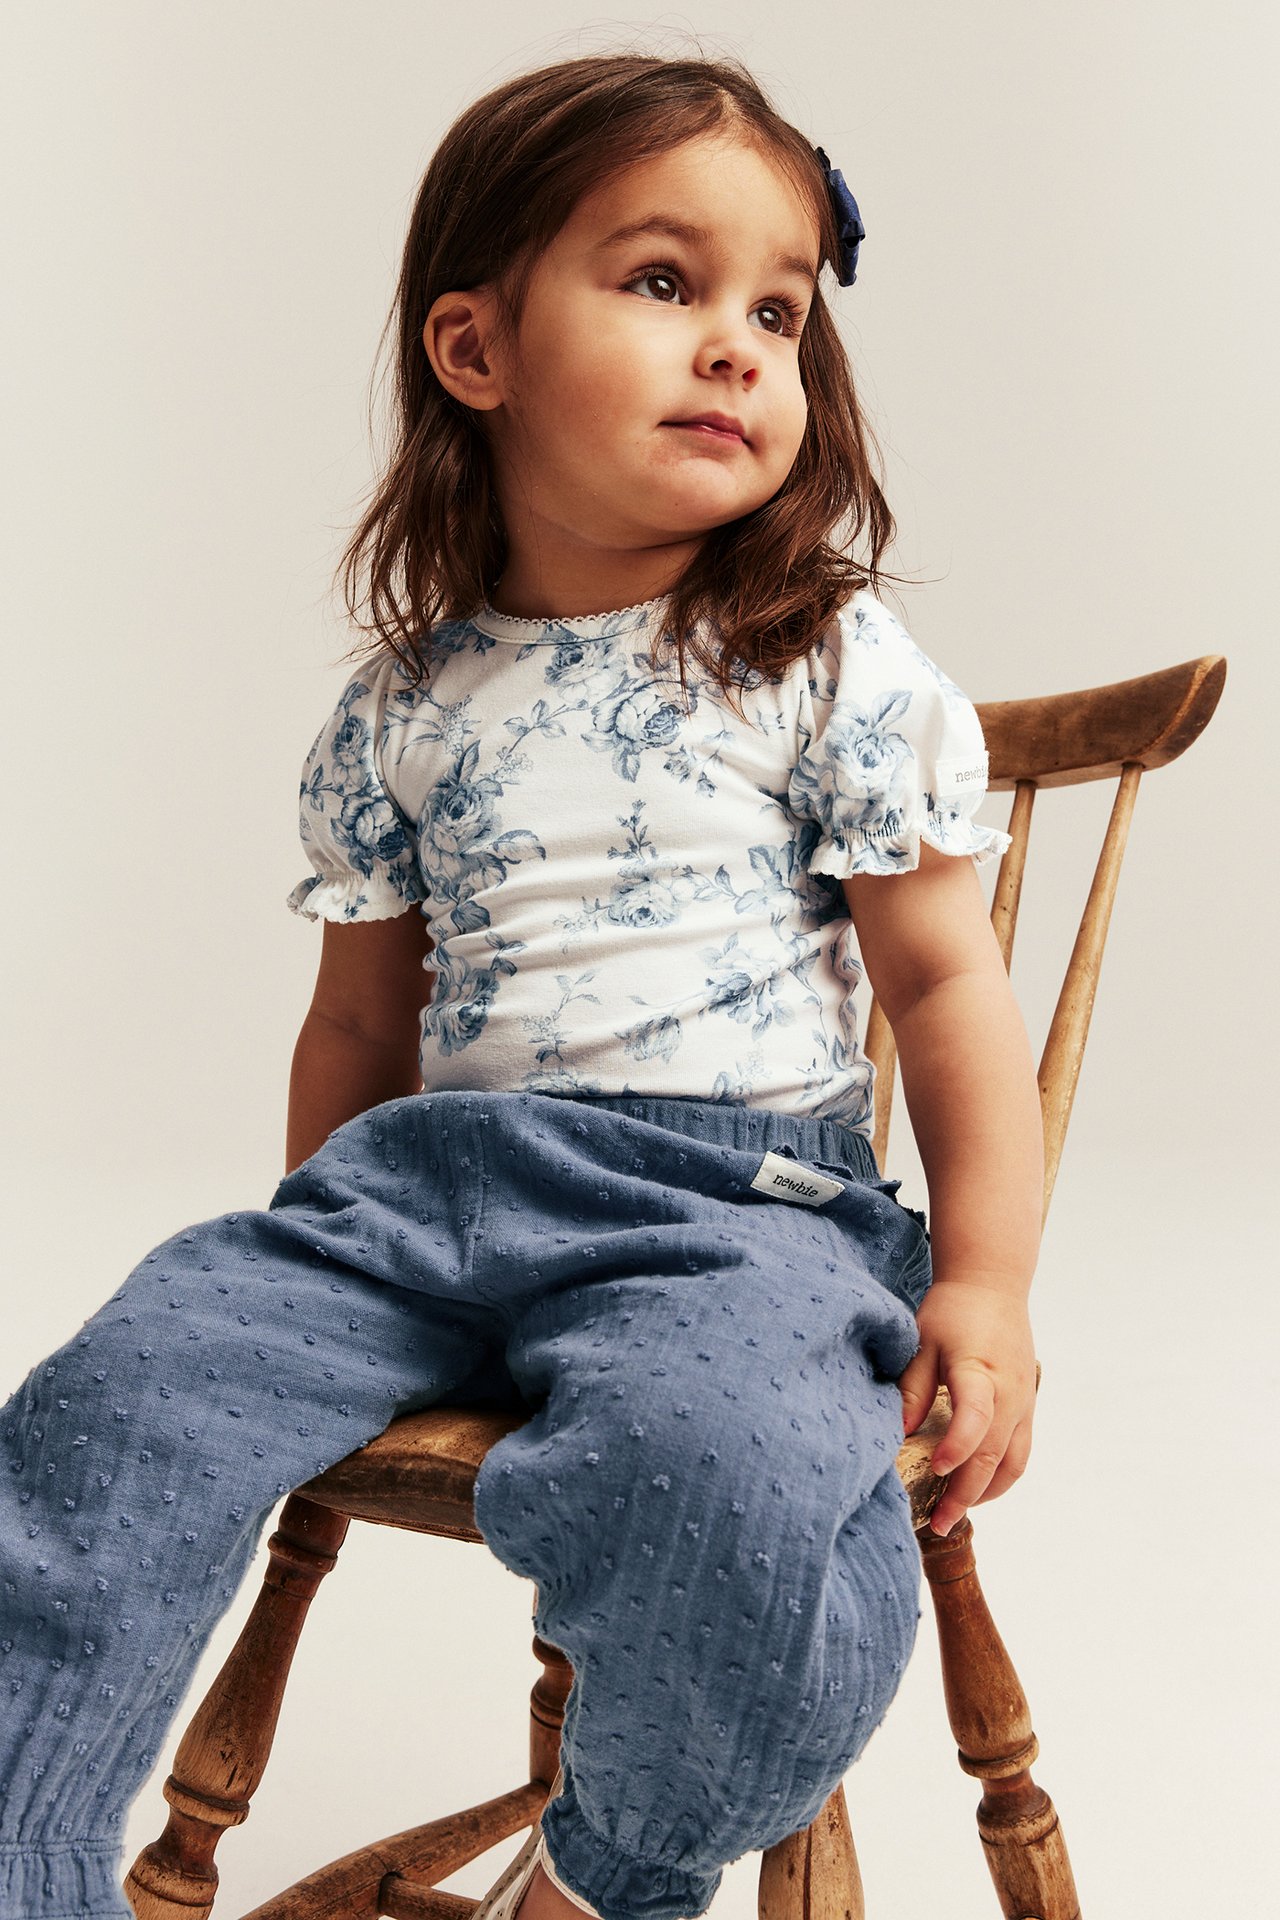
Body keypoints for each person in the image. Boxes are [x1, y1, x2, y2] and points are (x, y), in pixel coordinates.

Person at [0, 50, 1042, 1920]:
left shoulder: (821, 658)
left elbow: (950, 987)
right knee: (119, 1399)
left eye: (780, 312)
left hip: (733, 1212)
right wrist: (323, 1258)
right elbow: (355, 1020)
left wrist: (984, 1279)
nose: (739, 345)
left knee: (730, 1469)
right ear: (475, 350)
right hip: (424, 1194)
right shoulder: (403, 702)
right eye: (667, 284)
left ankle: (604, 1866)